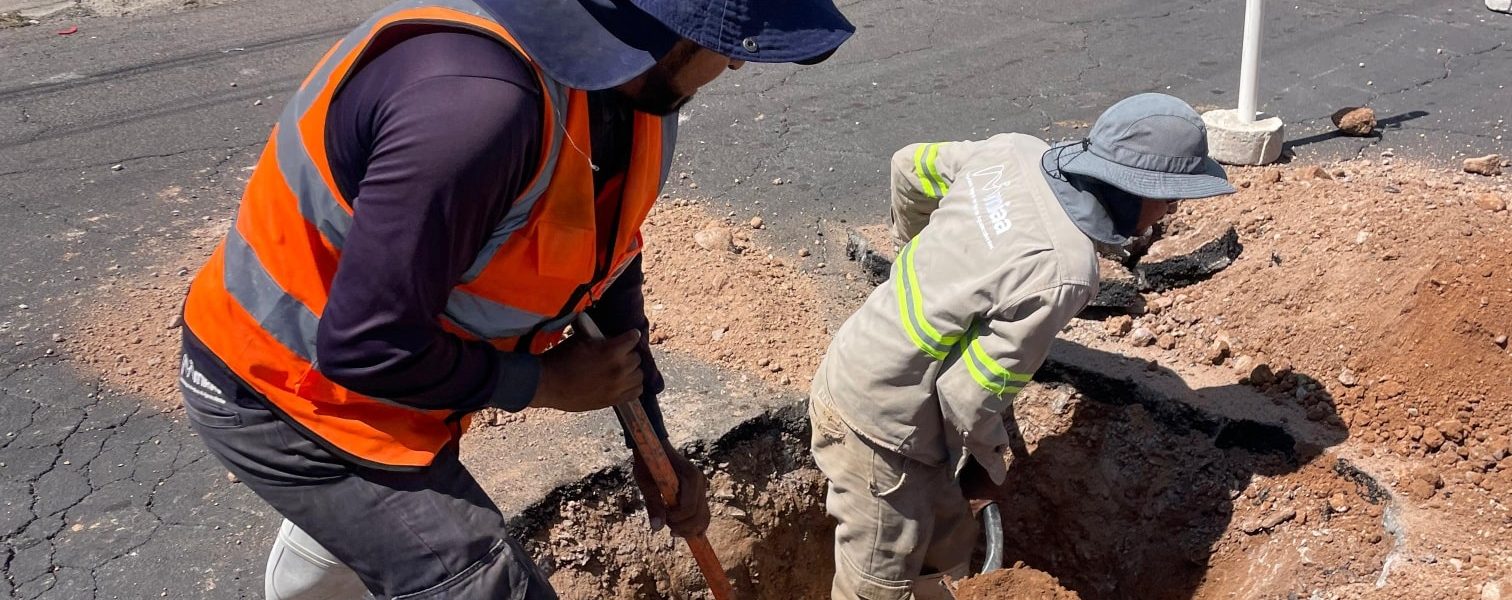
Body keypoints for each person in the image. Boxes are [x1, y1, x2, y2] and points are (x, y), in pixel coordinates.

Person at [174, 0, 853, 597]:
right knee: (477, 580)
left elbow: (605, 262)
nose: (735, 68)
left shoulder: (628, 93)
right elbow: (363, 346)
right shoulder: (474, 113)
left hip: (399, 383)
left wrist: (654, 442)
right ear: (663, 27)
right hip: (281, 389)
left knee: (354, 553)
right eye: (732, 45)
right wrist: (543, 382)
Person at [808, 93, 1238, 599]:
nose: (1169, 212)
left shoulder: (1013, 152)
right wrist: (990, 468)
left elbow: (909, 167)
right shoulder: (1065, 271)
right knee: (877, 584)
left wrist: (915, 256)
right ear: (1131, 187)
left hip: (866, 364)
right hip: (880, 428)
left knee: (947, 548)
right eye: (1169, 196)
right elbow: (968, 395)